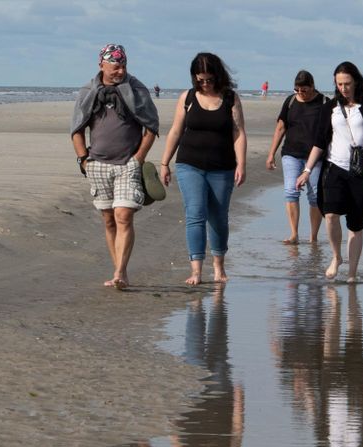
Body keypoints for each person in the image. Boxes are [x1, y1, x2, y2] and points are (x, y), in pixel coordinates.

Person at [70, 43, 159, 290]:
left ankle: (119, 271)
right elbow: (76, 130)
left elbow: (151, 126)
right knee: (109, 220)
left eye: (123, 66)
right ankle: (121, 271)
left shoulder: (136, 89)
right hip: (97, 164)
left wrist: (139, 158)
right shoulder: (88, 91)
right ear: (101, 65)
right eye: (115, 66)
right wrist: (83, 160)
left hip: (127, 164)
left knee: (123, 215)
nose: (120, 71)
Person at [159, 52, 247, 286]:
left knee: (218, 218)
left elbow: (238, 133)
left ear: (218, 76)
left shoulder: (230, 98)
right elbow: (176, 131)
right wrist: (164, 163)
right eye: (200, 80)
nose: (205, 84)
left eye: (209, 79)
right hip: (190, 165)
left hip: (223, 167)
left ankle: (218, 267)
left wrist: (241, 164)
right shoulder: (187, 98)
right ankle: (196, 270)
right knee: (195, 214)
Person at [295, 61, 363, 283]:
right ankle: (337, 257)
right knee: (331, 215)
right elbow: (319, 141)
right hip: (334, 167)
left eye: (347, 83)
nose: (344, 88)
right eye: (339, 84)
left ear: (355, 81)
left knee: (356, 222)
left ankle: (353, 273)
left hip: (360, 171)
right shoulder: (330, 107)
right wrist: (307, 170)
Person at [266, 70, 327, 244]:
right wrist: (271, 154)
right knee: (291, 191)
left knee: (314, 195)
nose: (301, 94)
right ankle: (294, 234)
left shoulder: (324, 103)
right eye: (297, 90)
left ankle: (313, 236)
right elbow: (280, 128)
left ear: (312, 86)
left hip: (315, 157)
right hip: (291, 154)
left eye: (304, 90)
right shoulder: (290, 101)